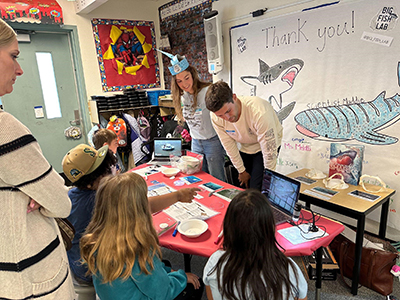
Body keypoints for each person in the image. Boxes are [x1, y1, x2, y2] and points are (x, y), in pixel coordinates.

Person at [0, 19, 75, 299]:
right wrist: (42, 194)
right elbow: (61, 202)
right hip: (32, 275)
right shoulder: (5, 129)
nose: (19, 69)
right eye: (13, 56)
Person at [62, 143, 200, 284]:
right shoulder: (101, 200)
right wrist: (177, 196)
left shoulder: (72, 195)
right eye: (105, 172)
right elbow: (143, 205)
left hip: (78, 262)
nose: (111, 173)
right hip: (102, 270)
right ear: (91, 181)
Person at [80, 172, 204, 299]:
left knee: (164, 264)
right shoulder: (137, 248)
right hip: (152, 292)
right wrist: (182, 276)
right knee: (196, 284)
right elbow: (163, 292)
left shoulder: (96, 239)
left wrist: (167, 272)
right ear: (140, 209)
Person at [203, 189, 308, 300]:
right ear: (270, 229)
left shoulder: (215, 263)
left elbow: (212, 297)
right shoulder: (288, 269)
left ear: (229, 228)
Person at [161, 49, 226, 181]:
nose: (184, 84)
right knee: (198, 178)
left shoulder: (207, 91)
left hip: (212, 141)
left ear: (193, 75)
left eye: (186, 78)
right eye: (179, 81)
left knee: (217, 179)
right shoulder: (182, 97)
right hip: (196, 142)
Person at [205, 80, 283, 190]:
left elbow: (269, 151)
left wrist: (267, 179)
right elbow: (228, 145)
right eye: (221, 115)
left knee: (256, 188)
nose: (227, 118)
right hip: (245, 145)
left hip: (265, 145)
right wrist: (241, 170)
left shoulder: (259, 112)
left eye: (228, 111)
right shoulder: (215, 117)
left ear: (234, 97)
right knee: (240, 185)